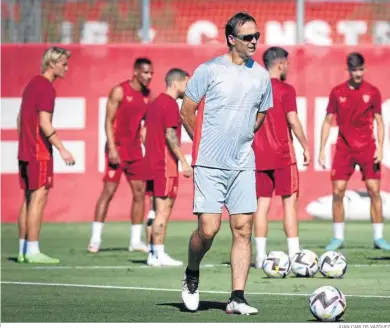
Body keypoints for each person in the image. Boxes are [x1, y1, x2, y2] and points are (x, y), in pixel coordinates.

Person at [180, 12, 273, 315]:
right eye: (248, 37)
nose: (254, 41)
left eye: (256, 36)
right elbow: (187, 110)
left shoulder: (261, 74)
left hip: (243, 162)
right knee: (208, 229)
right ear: (232, 39)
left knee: (243, 228)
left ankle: (237, 297)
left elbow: (262, 113)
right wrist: (204, 143)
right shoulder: (209, 70)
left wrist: (244, 136)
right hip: (208, 164)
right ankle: (192, 272)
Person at [319, 52, 390, 251]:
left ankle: (378, 237)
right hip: (344, 149)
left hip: (368, 148)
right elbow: (327, 121)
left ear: (365, 69)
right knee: (338, 192)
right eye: (354, 70)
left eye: (360, 69)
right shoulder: (337, 92)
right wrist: (322, 149)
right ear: (348, 70)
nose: (358, 74)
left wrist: (381, 148)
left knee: (374, 191)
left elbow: (379, 121)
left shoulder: (373, 92)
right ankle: (338, 237)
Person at [252, 47, 310, 268]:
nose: (288, 67)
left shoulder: (254, 88)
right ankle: (295, 257)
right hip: (284, 156)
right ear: (280, 64)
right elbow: (293, 120)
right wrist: (305, 146)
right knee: (289, 205)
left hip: (259, 156)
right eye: (286, 63)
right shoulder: (286, 90)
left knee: (262, 205)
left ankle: (259, 257)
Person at [88, 58, 153, 253]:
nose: (149, 77)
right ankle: (95, 239)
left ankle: (135, 241)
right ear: (135, 72)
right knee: (108, 192)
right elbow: (108, 121)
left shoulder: (148, 95)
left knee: (140, 193)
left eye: (151, 73)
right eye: (145, 72)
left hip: (134, 151)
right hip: (116, 150)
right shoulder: (119, 91)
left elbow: (146, 124)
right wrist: (113, 149)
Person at [17, 46, 75, 264]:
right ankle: (33, 249)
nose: (67, 69)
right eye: (64, 64)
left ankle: (23, 249)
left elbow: (20, 118)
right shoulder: (46, 88)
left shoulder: (32, 84)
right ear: (51, 63)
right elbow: (44, 123)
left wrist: (25, 143)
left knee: (28, 199)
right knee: (38, 199)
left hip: (26, 150)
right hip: (39, 151)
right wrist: (62, 149)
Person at [143, 68, 192, 267]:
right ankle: (159, 253)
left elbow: (144, 134)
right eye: (186, 83)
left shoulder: (155, 103)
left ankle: (152, 252)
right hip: (165, 165)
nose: (188, 88)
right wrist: (183, 161)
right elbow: (170, 136)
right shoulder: (170, 104)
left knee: (155, 210)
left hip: (152, 163)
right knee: (163, 210)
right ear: (176, 83)